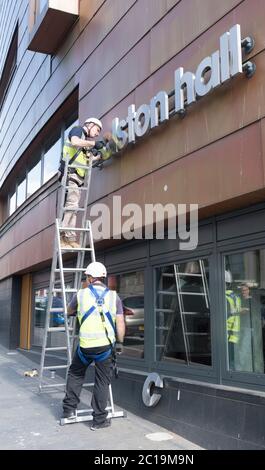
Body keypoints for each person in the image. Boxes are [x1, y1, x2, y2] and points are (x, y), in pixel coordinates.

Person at [62, 261, 125, 430]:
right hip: (105, 348)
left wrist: (77, 311)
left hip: (84, 348)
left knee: (75, 374)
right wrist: (120, 343)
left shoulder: (80, 295)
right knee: (102, 382)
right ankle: (98, 421)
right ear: (103, 278)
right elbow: (120, 324)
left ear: (89, 278)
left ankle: (68, 410)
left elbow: (68, 311)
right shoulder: (114, 297)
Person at [60, 118, 104, 249]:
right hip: (70, 175)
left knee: (74, 209)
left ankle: (70, 238)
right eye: (97, 129)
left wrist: (99, 155)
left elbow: (88, 160)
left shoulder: (84, 143)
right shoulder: (78, 130)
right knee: (72, 206)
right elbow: (74, 142)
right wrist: (93, 144)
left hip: (77, 178)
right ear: (90, 125)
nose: (97, 133)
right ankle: (62, 236)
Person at [225, 270, 241, 370]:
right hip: (235, 333)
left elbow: (225, 314)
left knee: (227, 361)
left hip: (226, 333)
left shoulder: (223, 297)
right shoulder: (236, 297)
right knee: (232, 359)